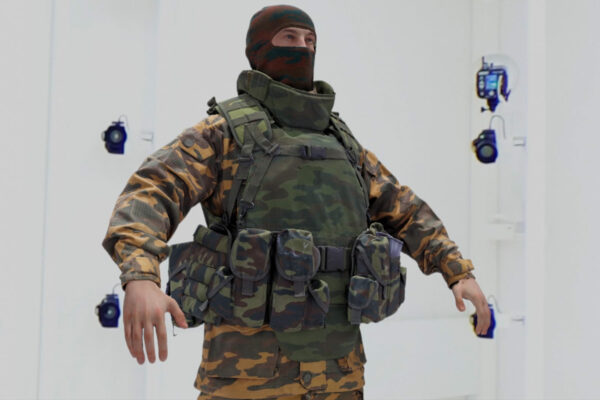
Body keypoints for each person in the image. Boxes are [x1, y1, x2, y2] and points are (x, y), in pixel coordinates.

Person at [102, 5, 491, 400]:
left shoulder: (342, 143)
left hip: (339, 376)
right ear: (258, 49)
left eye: (310, 41)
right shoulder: (227, 133)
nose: (303, 48)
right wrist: (140, 275)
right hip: (246, 379)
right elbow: (150, 192)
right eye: (289, 37)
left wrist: (456, 270)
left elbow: (404, 209)